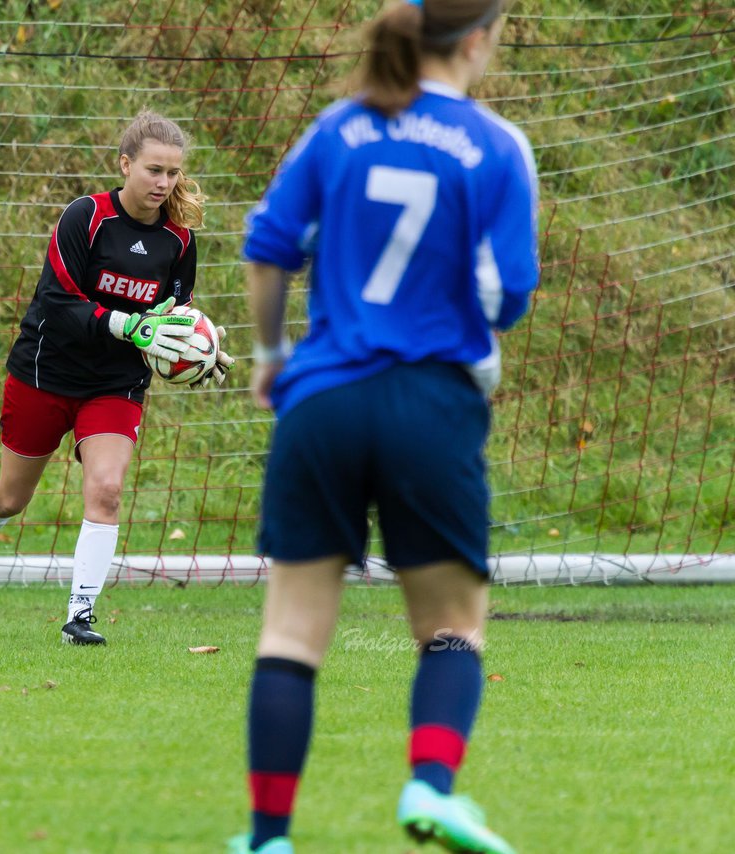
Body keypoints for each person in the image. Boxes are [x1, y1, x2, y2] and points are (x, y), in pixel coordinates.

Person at [233, 1, 537, 852]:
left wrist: (269, 354)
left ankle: (266, 838)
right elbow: (508, 294)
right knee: (451, 625)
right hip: (431, 405)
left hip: (323, 398)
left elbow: (267, 249)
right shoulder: (496, 146)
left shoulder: (336, 128)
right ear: (478, 39)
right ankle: (432, 787)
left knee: (292, 631)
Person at [0, 110, 234, 644]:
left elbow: (175, 312)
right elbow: (57, 301)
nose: (162, 183)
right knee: (10, 499)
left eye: (172, 173)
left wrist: (200, 348)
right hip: (44, 371)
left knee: (107, 488)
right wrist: (130, 326)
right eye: (152, 170)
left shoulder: (179, 240)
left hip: (114, 384)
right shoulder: (85, 217)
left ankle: (80, 615)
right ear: (125, 164)